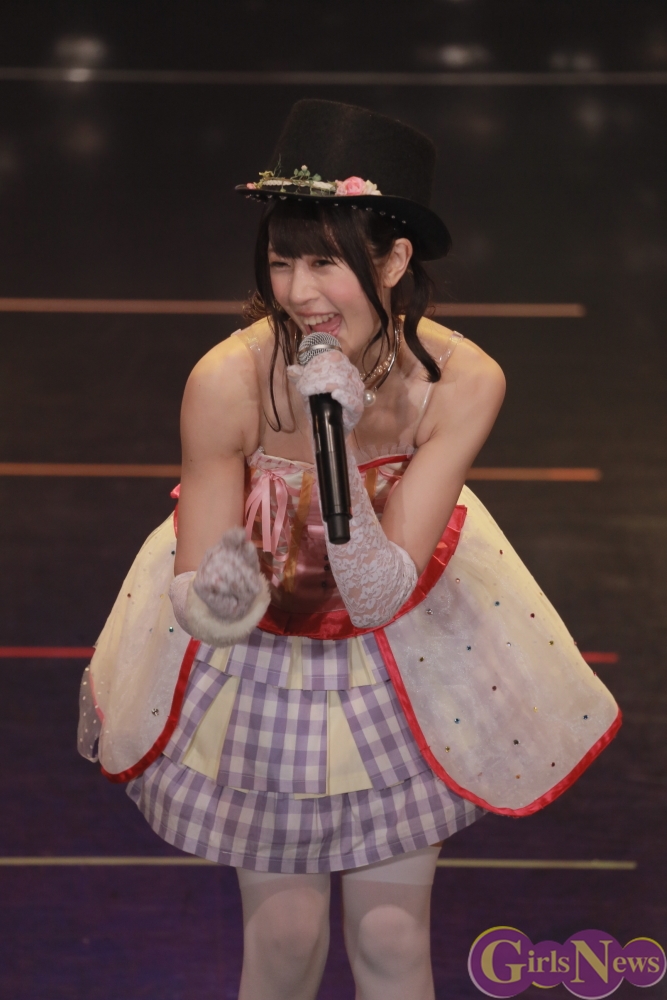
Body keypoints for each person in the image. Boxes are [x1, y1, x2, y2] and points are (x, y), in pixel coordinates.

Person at [78, 100, 620, 1000]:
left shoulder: (463, 380)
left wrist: (332, 435)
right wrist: (233, 577)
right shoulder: (226, 379)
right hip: (260, 659)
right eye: (281, 261)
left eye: (325, 262)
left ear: (394, 261)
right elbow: (203, 598)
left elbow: (376, 594)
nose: (299, 293)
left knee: (390, 938)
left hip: (400, 653)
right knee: (284, 940)